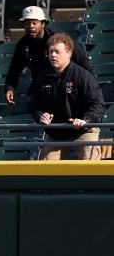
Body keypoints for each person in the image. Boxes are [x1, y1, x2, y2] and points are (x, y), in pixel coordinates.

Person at [29, 32, 105, 160]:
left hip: (84, 131)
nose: (53, 55)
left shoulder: (83, 76)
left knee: (91, 171)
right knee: (45, 172)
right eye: (51, 51)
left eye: (57, 52)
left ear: (69, 53)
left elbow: (98, 105)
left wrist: (86, 120)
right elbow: (34, 105)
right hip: (55, 132)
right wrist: (40, 115)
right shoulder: (42, 77)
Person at [5, 5, 94, 105]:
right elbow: (14, 69)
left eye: (34, 23)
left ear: (42, 24)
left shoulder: (58, 39)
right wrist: (10, 88)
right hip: (41, 89)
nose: (31, 26)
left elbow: (81, 59)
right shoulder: (23, 45)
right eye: (27, 23)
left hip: (65, 86)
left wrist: (91, 85)